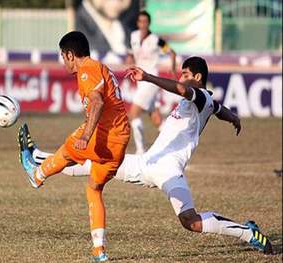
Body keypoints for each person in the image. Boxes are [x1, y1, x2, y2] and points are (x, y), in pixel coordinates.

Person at [23, 56, 273, 255]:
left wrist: (148, 78)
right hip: (147, 163)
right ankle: (38, 157)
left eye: (185, 74)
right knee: (93, 162)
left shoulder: (200, 95)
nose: (181, 77)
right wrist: (234, 118)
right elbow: (220, 110)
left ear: (197, 77)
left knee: (192, 222)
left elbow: (183, 90)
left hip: (169, 170)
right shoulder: (207, 102)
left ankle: (247, 233)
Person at [18, 31, 130, 262]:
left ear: (70, 54)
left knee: (70, 148)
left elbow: (98, 102)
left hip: (105, 136)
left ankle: (37, 174)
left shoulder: (87, 69)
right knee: (93, 189)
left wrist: (87, 135)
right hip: (120, 141)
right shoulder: (100, 67)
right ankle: (99, 251)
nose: (63, 61)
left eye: (63, 56)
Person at [126, 10, 177, 154]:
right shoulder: (133, 36)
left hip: (150, 79)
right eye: (140, 21)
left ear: (149, 23)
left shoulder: (156, 39)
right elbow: (130, 52)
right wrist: (129, 59)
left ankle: (141, 150)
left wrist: (172, 69)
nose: (143, 24)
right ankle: (173, 146)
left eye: (145, 22)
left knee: (133, 114)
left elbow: (171, 52)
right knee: (155, 118)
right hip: (140, 81)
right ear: (137, 23)